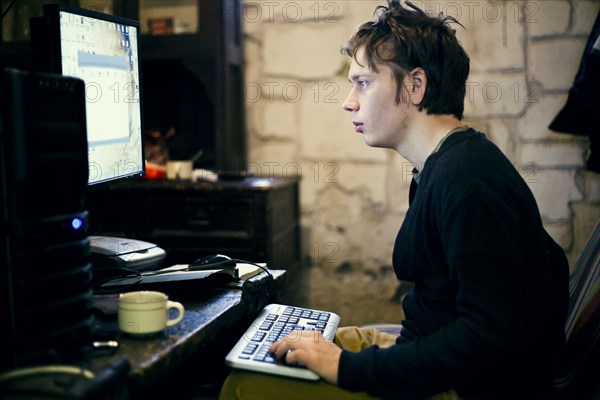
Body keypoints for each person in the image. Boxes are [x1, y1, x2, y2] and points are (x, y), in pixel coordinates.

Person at [220, 1, 569, 399]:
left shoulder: (467, 179)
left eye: (363, 83)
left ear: (415, 85)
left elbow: (486, 336)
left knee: (244, 386)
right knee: (269, 354)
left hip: (460, 386)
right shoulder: (442, 165)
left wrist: (345, 366)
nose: (349, 101)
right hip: (422, 353)